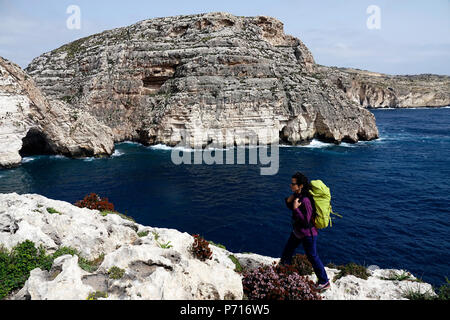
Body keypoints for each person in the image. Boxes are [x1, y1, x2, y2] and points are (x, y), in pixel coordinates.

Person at [280, 172, 330, 291]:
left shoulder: (306, 199)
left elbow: (306, 220)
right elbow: (291, 207)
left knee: (312, 256)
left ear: (300, 185)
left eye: (293, 184)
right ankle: (283, 272)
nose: (291, 185)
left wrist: (296, 208)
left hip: (308, 234)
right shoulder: (298, 195)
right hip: (298, 232)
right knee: (287, 251)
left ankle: (324, 281)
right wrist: (288, 201)